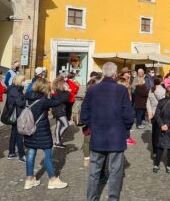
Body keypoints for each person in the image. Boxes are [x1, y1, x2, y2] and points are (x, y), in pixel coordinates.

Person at [81, 62, 134, 201]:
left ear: (103, 73)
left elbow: (84, 112)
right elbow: (128, 115)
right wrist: (125, 128)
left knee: (94, 172)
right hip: (116, 136)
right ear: (115, 74)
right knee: (115, 172)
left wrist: (91, 125)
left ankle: (91, 198)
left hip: (98, 135)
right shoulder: (121, 90)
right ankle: (113, 199)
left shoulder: (92, 89)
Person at [24, 78, 68, 190]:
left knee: (30, 152)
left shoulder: (27, 97)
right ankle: (53, 180)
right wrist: (63, 92)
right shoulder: (43, 100)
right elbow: (58, 101)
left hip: (29, 130)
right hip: (42, 131)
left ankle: (29, 180)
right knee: (48, 154)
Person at [153, 85, 170, 174]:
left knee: (160, 146)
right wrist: (167, 125)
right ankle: (169, 167)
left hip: (161, 127)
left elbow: (156, 115)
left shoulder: (161, 102)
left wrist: (161, 125)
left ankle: (156, 165)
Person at [82, 72, 103, 167]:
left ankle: (87, 158)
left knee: (87, 140)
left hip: (90, 121)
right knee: (91, 140)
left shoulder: (88, 93)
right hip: (94, 121)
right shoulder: (99, 95)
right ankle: (93, 158)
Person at [6, 75, 27, 162]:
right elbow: (20, 103)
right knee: (19, 135)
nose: (24, 82)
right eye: (23, 81)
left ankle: (11, 153)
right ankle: (21, 155)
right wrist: (25, 98)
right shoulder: (14, 90)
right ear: (19, 81)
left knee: (14, 134)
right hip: (17, 114)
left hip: (17, 114)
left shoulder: (15, 89)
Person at [147, 76, 166, 157]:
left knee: (154, 133)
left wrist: (150, 112)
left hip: (153, 114)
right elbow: (164, 103)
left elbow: (148, 102)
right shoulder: (162, 90)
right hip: (160, 114)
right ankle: (160, 151)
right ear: (161, 81)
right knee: (160, 134)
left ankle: (155, 151)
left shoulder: (151, 89)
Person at [51, 77, 70, 149]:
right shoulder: (57, 91)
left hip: (60, 110)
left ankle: (58, 142)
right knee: (66, 125)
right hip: (59, 110)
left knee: (58, 126)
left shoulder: (59, 91)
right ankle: (57, 139)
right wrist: (68, 91)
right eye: (64, 82)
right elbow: (64, 99)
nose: (65, 84)